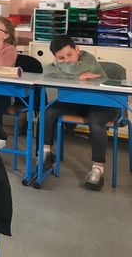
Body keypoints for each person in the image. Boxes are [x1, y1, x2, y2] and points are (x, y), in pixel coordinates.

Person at [41, 35, 114, 191]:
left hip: (100, 103)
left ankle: (97, 169)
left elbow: (73, 68)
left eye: (70, 54)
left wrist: (69, 72)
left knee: (95, 121)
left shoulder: (89, 59)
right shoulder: (59, 62)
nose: (67, 60)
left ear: (77, 50)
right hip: (76, 101)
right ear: (54, 57)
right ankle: (45, 154)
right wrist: (77, 77)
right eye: (61, 58)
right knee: (49, 111)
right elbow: (47, 71)